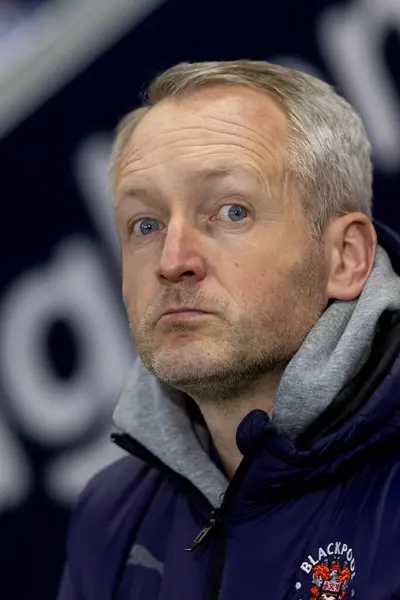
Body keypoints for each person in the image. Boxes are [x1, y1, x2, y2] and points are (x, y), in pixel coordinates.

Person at [58, 60, 400, 600]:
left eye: (230, 211)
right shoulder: (109, 522)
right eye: (145, 224)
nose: (172, 260)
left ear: (345, 257)